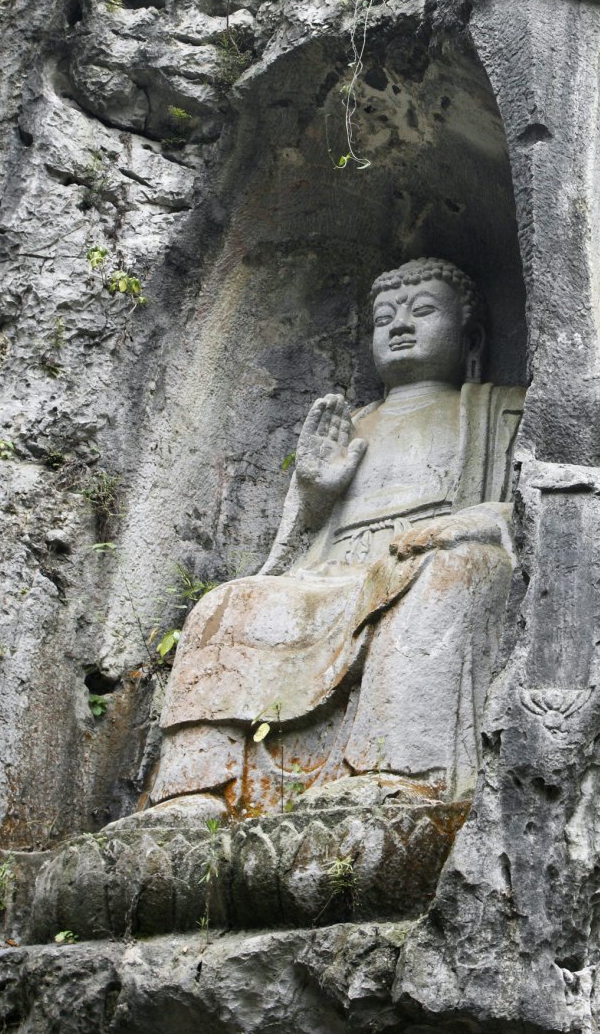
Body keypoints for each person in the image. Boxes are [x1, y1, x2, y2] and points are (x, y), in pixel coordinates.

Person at [140, 258, 524, 820]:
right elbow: (298, 544)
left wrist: (460, 525)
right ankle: (197, 789)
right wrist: (316, 490)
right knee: (227, 605)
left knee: (455, 573)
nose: (400, 326)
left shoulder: (502, 410)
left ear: (471, 336)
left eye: (422, 312)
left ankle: (394, 771)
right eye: (385, 318)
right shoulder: (354, 423)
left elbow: (526, 509)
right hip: (331, 575)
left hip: (422, 562)